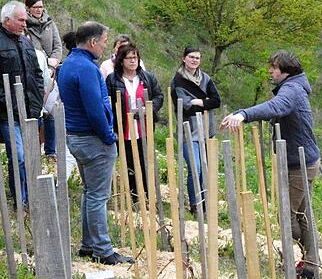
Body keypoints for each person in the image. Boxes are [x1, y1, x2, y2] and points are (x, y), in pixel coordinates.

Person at [221, 50, 319, 279]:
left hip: (299, 164)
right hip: (301, 161)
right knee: (302, 215)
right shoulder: (294, 87)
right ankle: (311, 265)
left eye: (274, 68)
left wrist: (244, 115)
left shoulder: (291, 90)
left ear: (286, 70)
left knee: (290, 218)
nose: (270, 72)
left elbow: (275, 107)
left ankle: (298, 258)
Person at [58, 21, 132, 265]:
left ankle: (88, 244)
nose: (103, 46)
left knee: (89, 192)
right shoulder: (87, 69)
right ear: (92, 42)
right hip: (93, 138)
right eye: (102, 41)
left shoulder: (68, 64)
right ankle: (102, 248)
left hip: (76, 136)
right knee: (99, 195)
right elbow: (94, 109)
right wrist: (109, 137)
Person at [0, 0, 45, 206]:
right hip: (8, 113)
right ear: (7, 20)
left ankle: (33, 197)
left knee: (32, 158)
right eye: (21, 20)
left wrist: (39, 94)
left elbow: (37, 73)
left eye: (25, 19)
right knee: (18, 157)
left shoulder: (26, 43)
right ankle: (20, 199)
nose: (25, 24)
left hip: (31, 110)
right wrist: (9, 101)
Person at [105, 42, 162, 201]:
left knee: (146, 160)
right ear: (121, 60)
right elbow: (106, 101)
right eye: (129, 58)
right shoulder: (113, 79)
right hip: (123, 127)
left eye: (135, 57)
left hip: (143, 126)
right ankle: (134, 196)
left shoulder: (147, 77)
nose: (132, 61)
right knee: (129, 161)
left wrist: (148, 108)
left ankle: (148, 194)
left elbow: (158, 97)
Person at [171, 46, 221, 212]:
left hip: (207, 130)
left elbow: (216, 101)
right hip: (188, 132)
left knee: (206, 170)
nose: (194, 60)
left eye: (197, 58)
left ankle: (206, 202)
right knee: (196, 168)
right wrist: (204, 102)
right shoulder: (177, 81)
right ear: (184, 58)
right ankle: (195, 204)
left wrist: (198, 102)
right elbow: (184, 106)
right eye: (191, 57)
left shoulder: (206, 78)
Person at [24, 0, 60, 157]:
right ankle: (34, 149)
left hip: (51, 70)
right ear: (29, 9)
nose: (39, 10)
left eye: (41, 7)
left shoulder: (50, 23)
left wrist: (53, 63)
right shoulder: (25, 25)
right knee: (37, 109)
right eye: (36, 7)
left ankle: (50, 150)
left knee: (51, 110)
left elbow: (57, 45)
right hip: (35, 70)